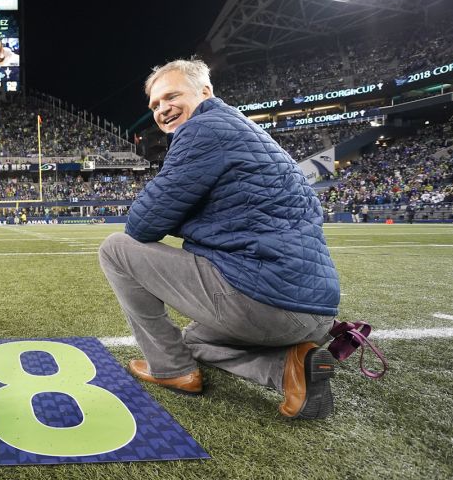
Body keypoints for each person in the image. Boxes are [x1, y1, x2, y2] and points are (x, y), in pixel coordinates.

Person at [97, 59, 342, 419]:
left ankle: (171, 369)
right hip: (316, 313)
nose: (162, 109)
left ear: (205, 92)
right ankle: (288, 368)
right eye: (155, 105)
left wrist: (181, 217)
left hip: (264, 301)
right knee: (195, 340)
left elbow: (142, 224)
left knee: (116, 249)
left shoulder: (203, 130)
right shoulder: (242, 129)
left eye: (171, 96)